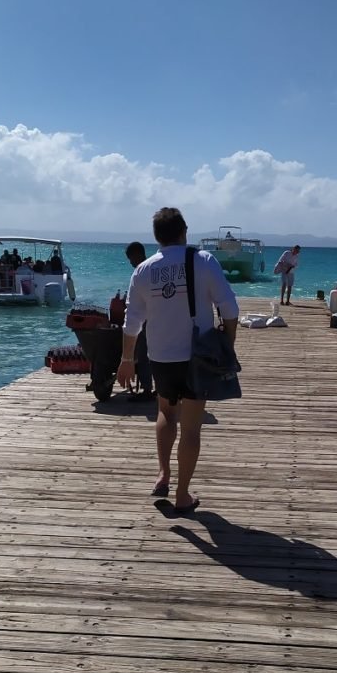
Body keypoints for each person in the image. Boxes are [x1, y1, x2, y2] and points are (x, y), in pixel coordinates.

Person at [117, 207, 239, 513]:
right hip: (197, 356)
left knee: (166, 413)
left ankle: (163, 474)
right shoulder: (204, 261)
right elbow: (230, 309)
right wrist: (228, 343)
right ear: (185, 230)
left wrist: (126, 359)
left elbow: (131, 321)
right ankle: (182, 495)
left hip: (160, 356)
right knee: (191, 427)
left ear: (157, 237)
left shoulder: (143, 270)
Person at [124, 241, 154, 401]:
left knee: (142, 355)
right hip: (157, 318)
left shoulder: (140, 271)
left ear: (137, 255)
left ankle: (147, 390)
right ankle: (159, 387)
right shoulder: (153, 268)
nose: (131, 263)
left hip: (145, 320)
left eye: (131, 259)